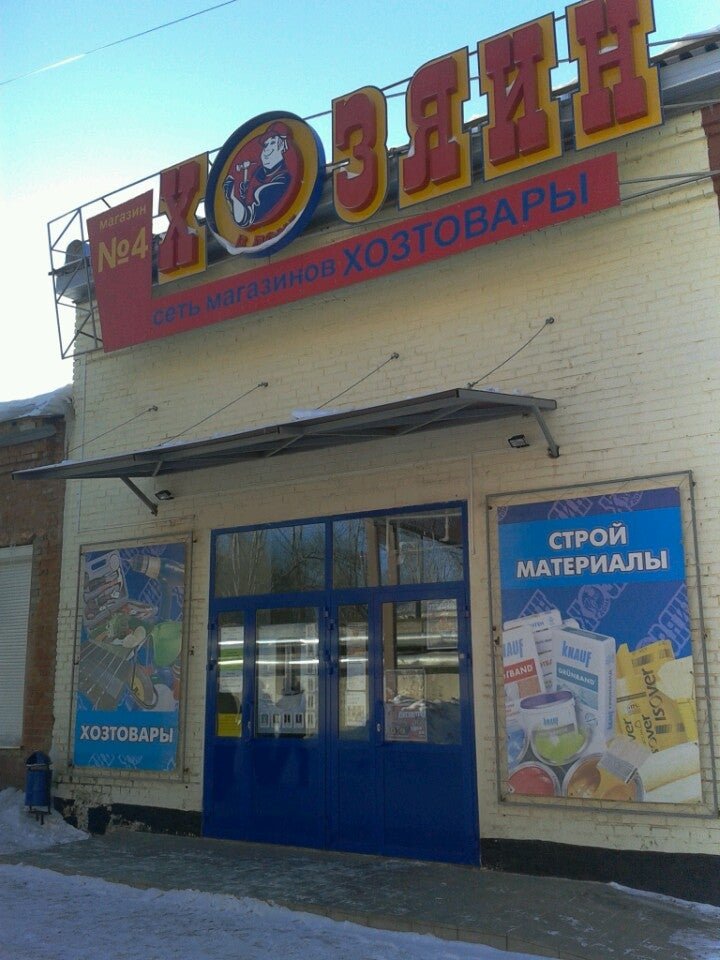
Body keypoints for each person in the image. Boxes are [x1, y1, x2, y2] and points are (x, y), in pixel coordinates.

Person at [223, 123, 293, 228]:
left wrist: (232, 198)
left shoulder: (282, 180)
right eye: (266, 144)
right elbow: (249, 195)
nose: (267, 149)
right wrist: (247, 191)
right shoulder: (259, 172)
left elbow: (246, 218)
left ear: (282, 145)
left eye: (272, 143)